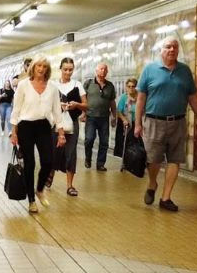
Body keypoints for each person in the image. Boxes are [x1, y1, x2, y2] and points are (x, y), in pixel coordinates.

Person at [134, 37, 197, 212]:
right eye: (168, 47)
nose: (172, 50)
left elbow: (192, 97)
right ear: (161, 50)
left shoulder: (185, 71)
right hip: (153, 121)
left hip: (178, 122)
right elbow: (141, 98)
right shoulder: (150, 70)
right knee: (153, 160)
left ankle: (166, 198)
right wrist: (137, 123)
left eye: (175, 47)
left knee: (175, 159)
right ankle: (152, 184)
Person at [10, 56, 65, 214]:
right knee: (30, 163)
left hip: (44, 126)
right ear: (32, 68)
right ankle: (31, 201)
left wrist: (61, 134)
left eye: (44, 66)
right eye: (38, 66)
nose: (41, 69)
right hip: (25, 126)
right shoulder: (23, 85)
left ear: (47, 69)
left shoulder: (52, 88)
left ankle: (39, 189)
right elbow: (16, 109)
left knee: (48, 161)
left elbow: (57, 112)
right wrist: (14, 132)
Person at [47, 57, 85, 196]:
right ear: (60, 69)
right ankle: (50, 174)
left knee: (71, 153)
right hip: (55, 122)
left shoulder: (77, 85)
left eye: (70, 69)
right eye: (65, 69)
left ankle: (70, 185)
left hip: (72, 123)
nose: (68, 72)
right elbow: (46, 103)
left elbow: (86, 105)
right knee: (54, 150)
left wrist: (77, 105)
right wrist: (57, 106)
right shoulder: (52, 85)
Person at [82, 62, 117, 171]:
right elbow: (83, 100)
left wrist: (114, 116)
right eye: (101, 69)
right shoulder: (88, 83)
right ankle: (88, 158)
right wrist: (83, 113)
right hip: (90, 117)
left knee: (104, 142)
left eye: (105, 69)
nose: (103, 71)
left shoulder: (110, 86)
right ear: (96, 71)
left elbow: (112, 102)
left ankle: (100, 164)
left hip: (104, 118)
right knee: (89, 139)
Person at [115, 78, 139, 170]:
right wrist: (124, 119)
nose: (131, 88)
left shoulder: (139, 97)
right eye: (129, 86)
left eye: (133, 86)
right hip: (127, 123)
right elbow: (119, 111)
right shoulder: (124, 97)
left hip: (137, 123)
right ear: (126, 87)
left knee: (136, 144)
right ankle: (126, 162)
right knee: (126, 143)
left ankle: (136, 162)